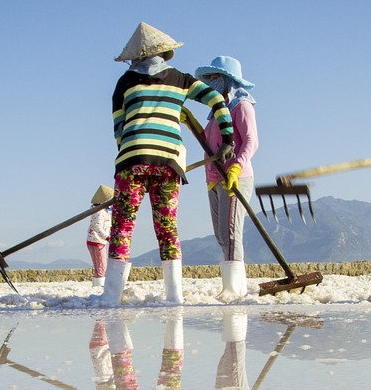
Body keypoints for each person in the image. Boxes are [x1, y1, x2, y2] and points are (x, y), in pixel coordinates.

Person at [102, 23, 234, 306]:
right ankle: (174, 297)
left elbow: (118, 130)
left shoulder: (124, 83)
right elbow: (218, 102)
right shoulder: (182, 79)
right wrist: (227, 138)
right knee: (167, 228)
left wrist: (131, 155)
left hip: (132, 160)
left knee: (123, 226)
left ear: (135, 56)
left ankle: (110, 297)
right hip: (168, 163)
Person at [195, 56, 259, 301]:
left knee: (231, 233)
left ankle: (233, 290)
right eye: (209, 78)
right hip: (213, 177)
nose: (211, 83)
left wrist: (236, 167)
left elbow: (252, 141)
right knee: (221, 235)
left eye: (214, 78)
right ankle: (235, 286)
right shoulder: (216, 113)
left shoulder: (241, 106)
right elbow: (211, 143)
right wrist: (192, 122)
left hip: (235, 176)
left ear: (228, 80)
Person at [86, 184, 113, 289]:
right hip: (96, 241)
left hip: (99, 241)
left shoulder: (105, 212)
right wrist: (107, 237)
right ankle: (99, 285)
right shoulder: (99, 212)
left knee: (101, 264)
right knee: (101, 265)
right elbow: (97, 227)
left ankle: (99, 283)